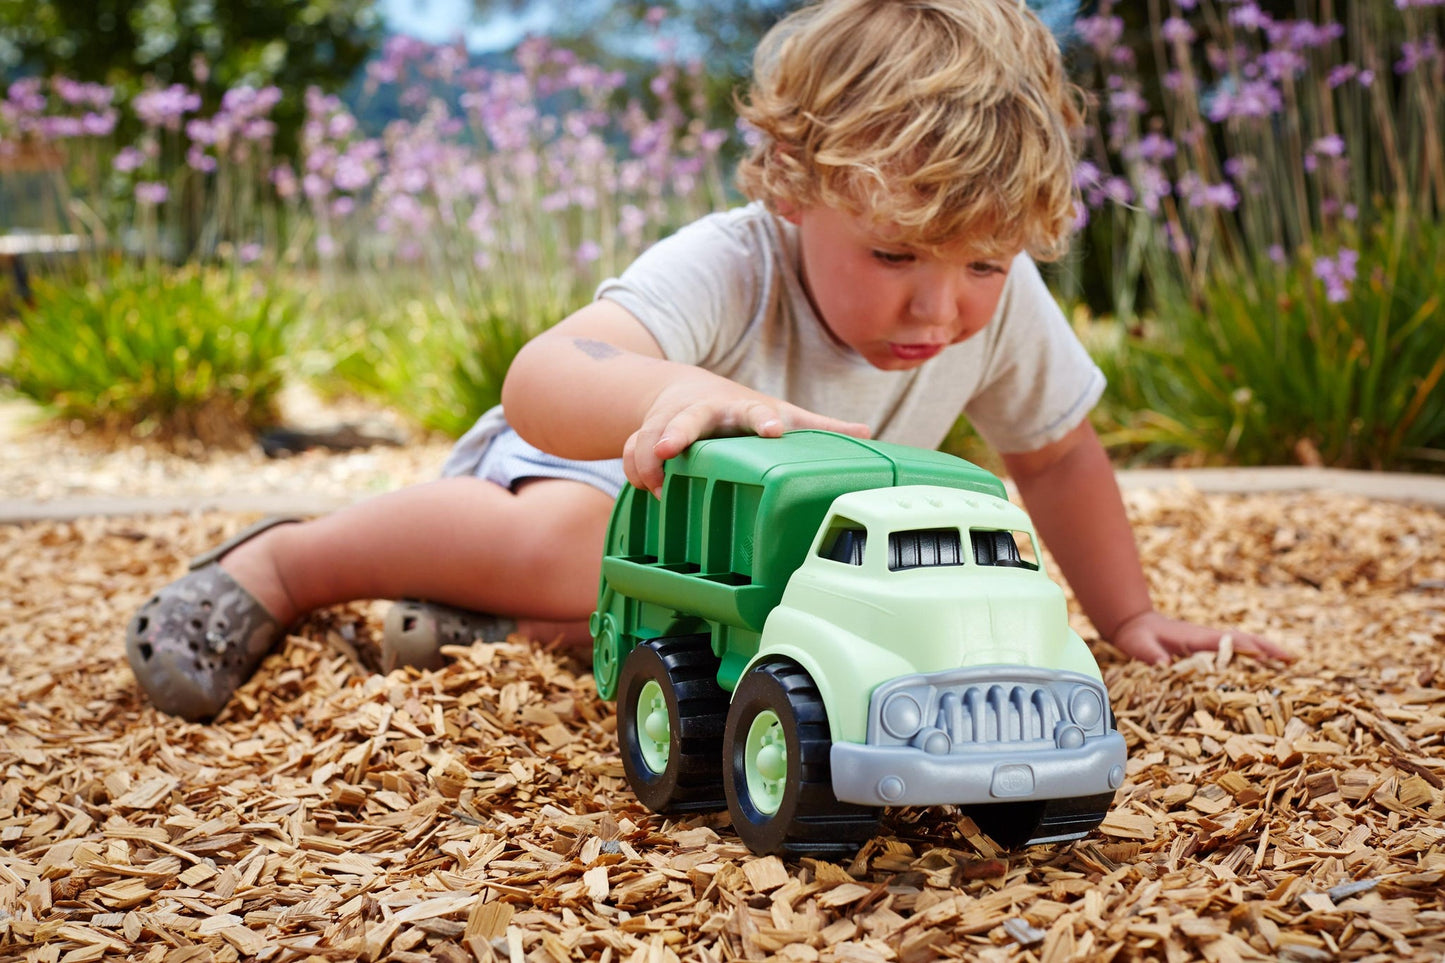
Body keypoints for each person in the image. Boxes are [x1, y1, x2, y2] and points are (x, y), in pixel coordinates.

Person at [126, 0, 1291, 721]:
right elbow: (548, 374)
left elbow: (1056, 456)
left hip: (749, 550)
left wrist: (1126, 617)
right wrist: (683, 389)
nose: (940, 306)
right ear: (795, 192)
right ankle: (281, 570)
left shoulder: (997, 296)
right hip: (589, 474)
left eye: (982, 265)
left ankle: (499, 632)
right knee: (586, 548)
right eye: (892, 253)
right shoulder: (734, 264)